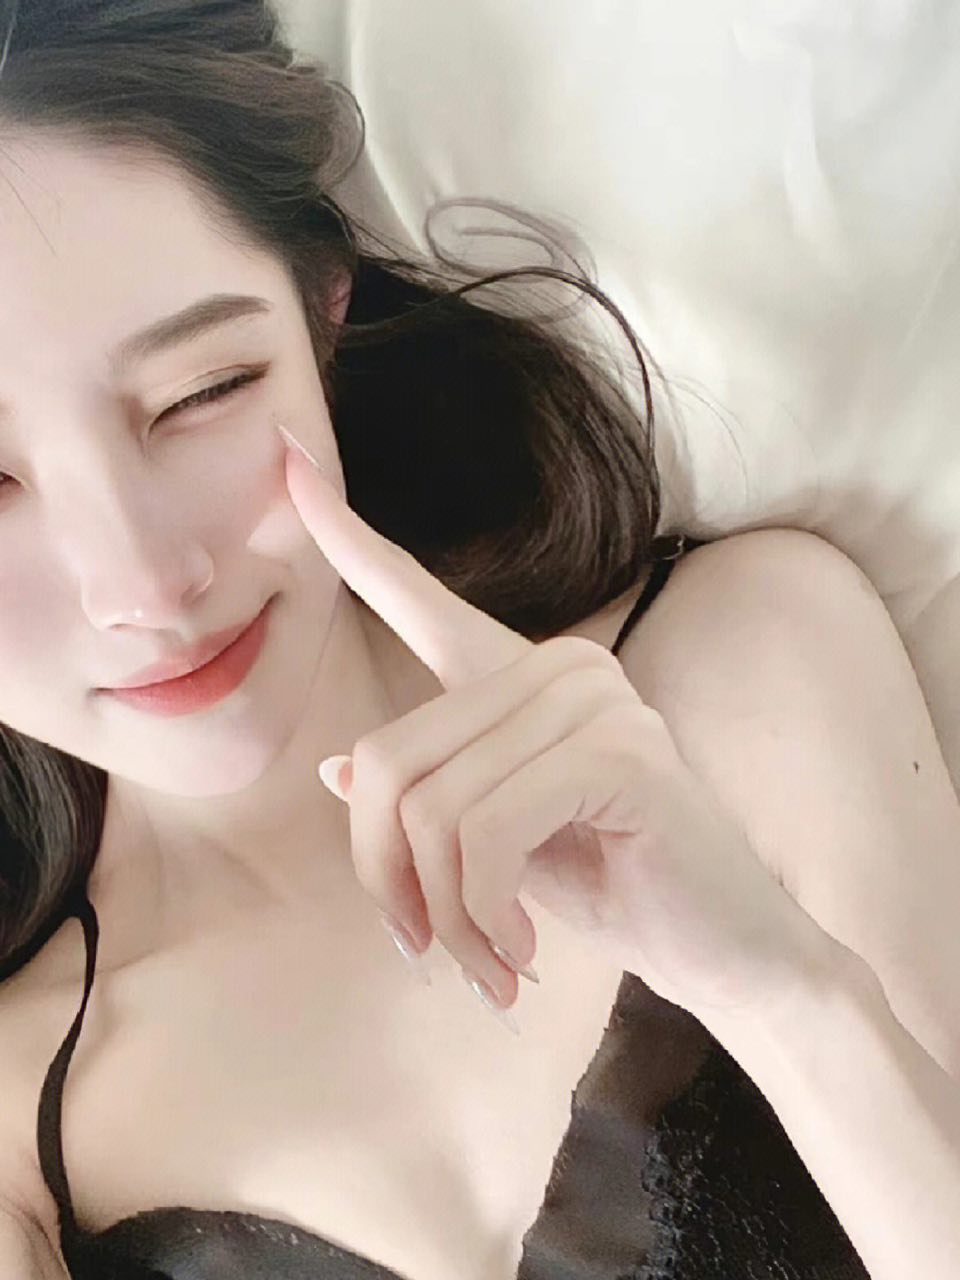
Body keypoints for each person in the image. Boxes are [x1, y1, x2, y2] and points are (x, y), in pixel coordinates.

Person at [0, 3, 876, 1280]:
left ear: (323, 315)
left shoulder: (746, 665)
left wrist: (791, 992)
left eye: (202, 394)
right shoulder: (20, 1122)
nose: (144, 583)